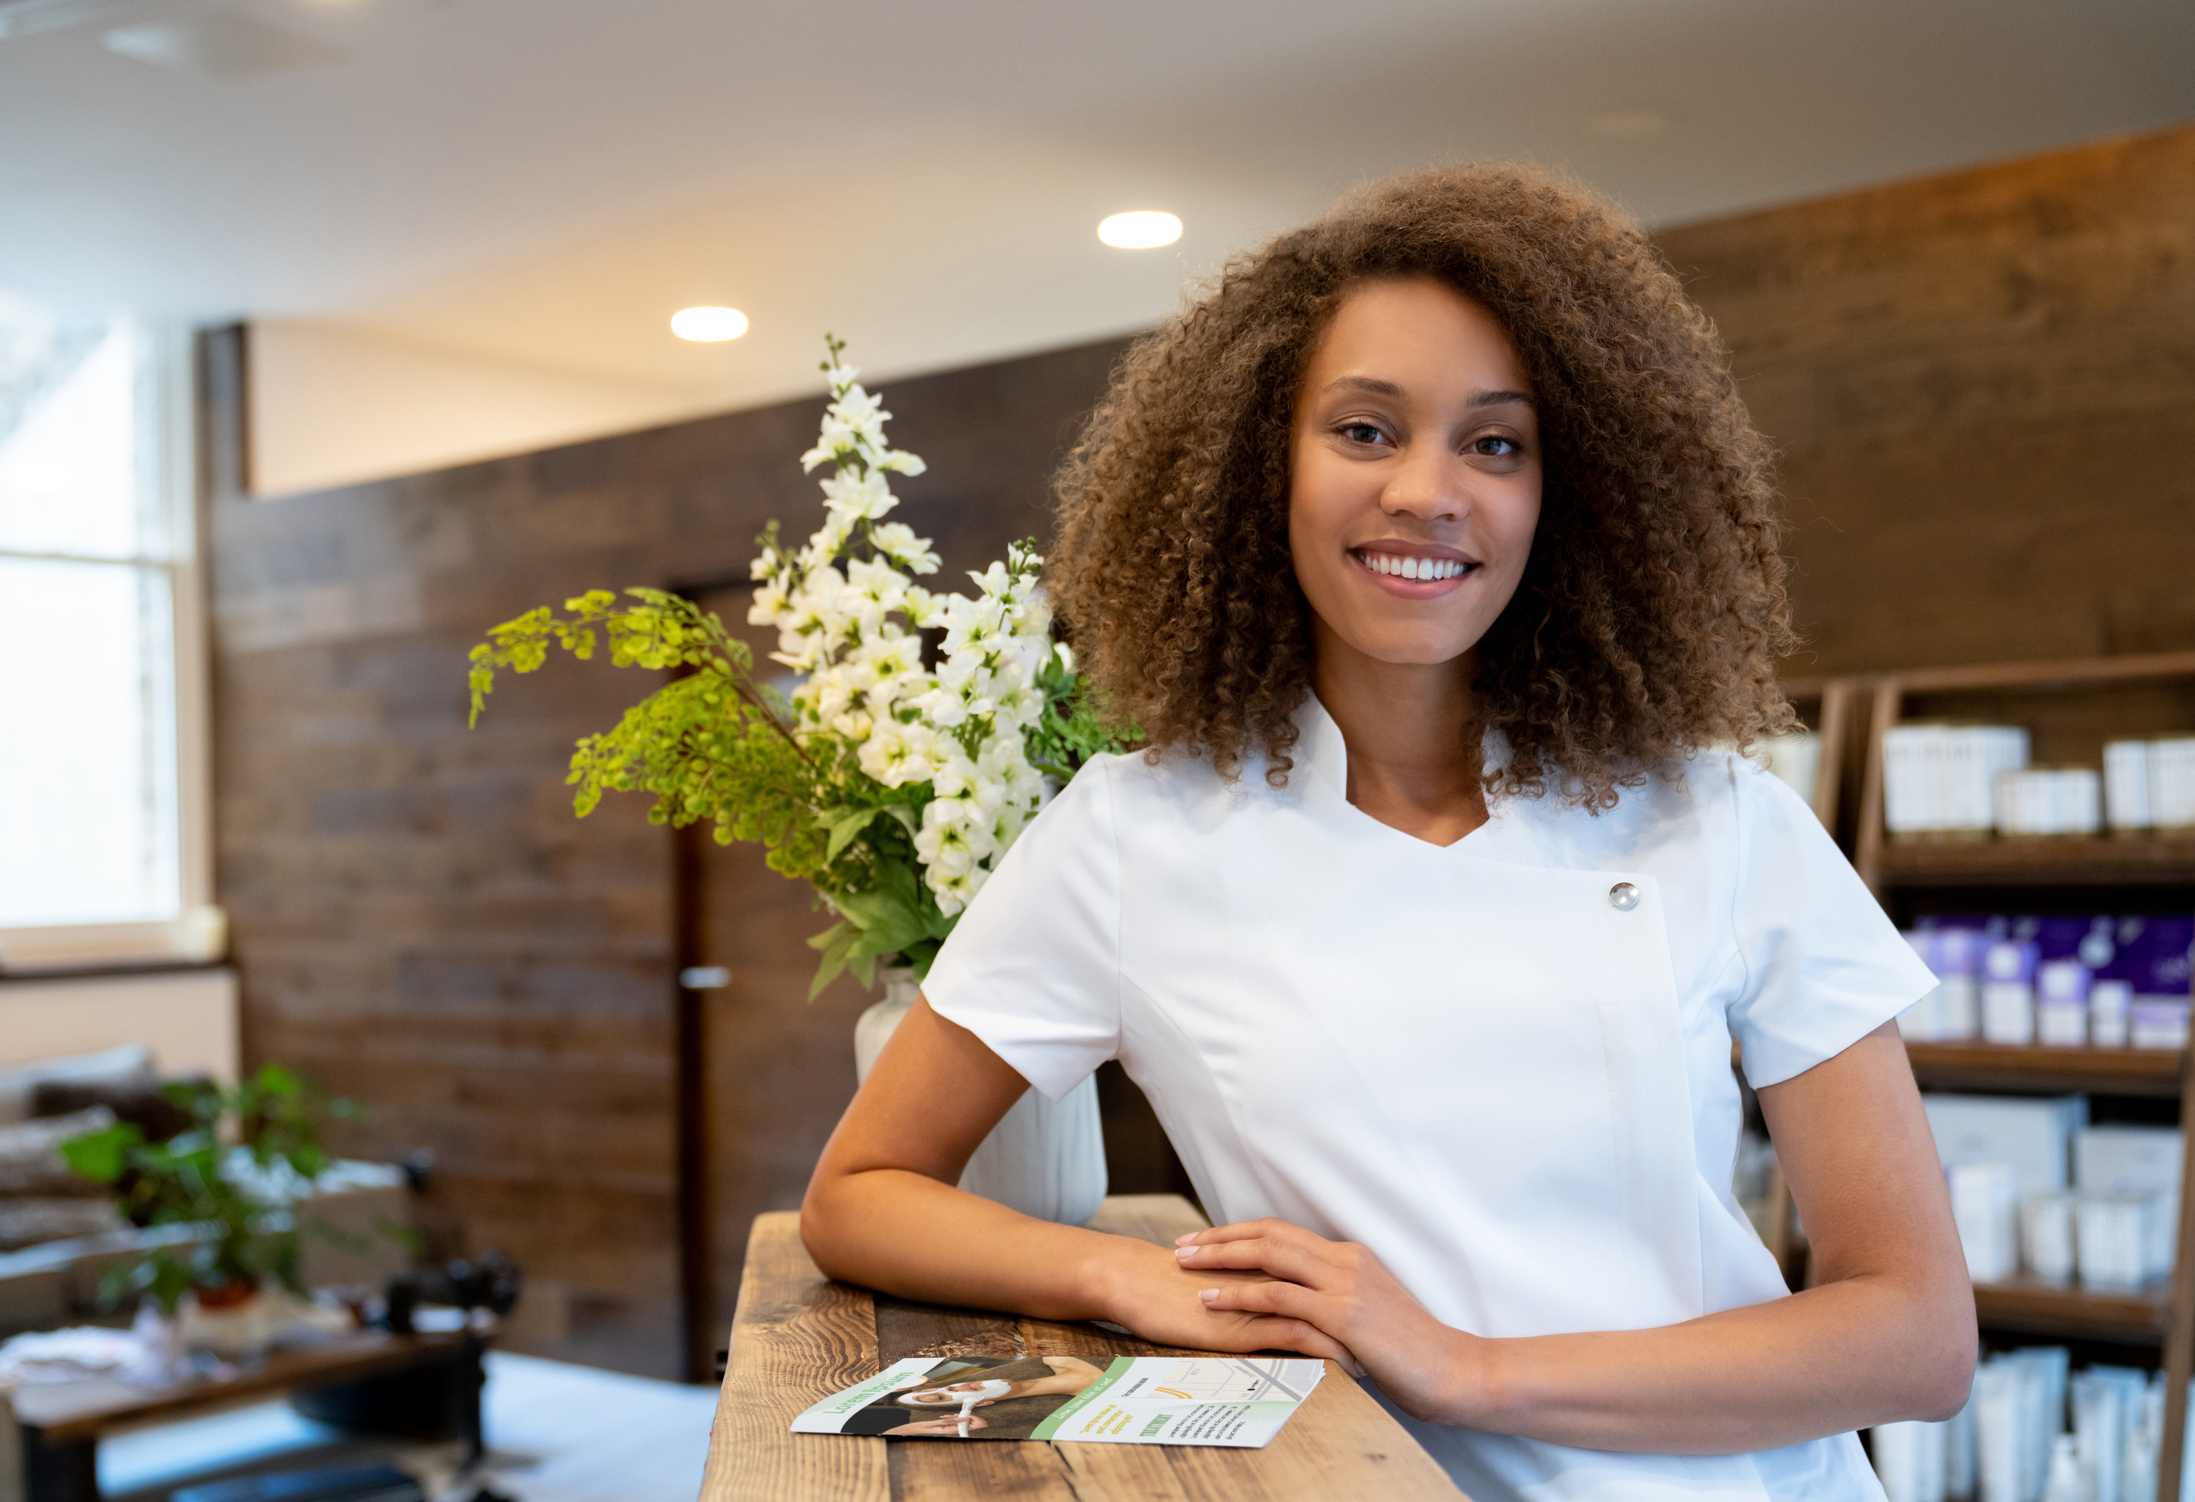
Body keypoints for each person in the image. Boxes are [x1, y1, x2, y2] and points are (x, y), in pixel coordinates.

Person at [800, 162, 1975, 1500]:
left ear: (1567, 494)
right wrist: (1132, 1273)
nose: (1427, 489)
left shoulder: (1722, 820)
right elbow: (862, 1188)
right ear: (1261, 466)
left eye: (1496, 442)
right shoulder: (1135, 836)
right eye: (1364, 429)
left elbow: (1916, 1333)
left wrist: (1467, 1366)